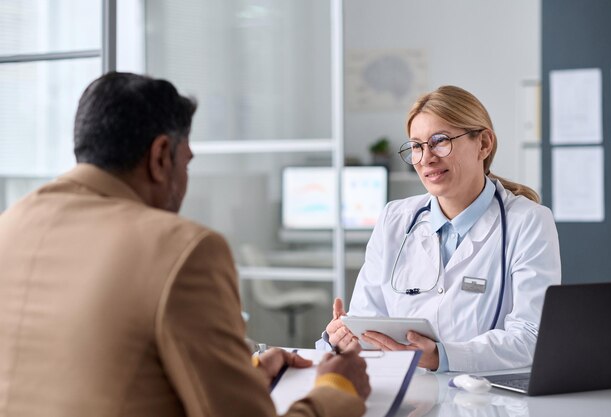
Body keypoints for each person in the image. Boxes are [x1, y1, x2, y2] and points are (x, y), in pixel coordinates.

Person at [0, 72, 370, 417]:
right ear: (161, 156)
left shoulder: (10, 225)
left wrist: (247, 375)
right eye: (186, 162)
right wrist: (337, 389)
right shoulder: (184, 250)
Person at [318, 85, 561, 373]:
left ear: (483, 144)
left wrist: (441, 357)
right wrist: (344, 338)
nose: (427, 158)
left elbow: (531, 338)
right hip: (404, 391)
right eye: (417, 147)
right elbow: (367, 321)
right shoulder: (394, 218)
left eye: (440, 141)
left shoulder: (528, 222)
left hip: (485, 399)